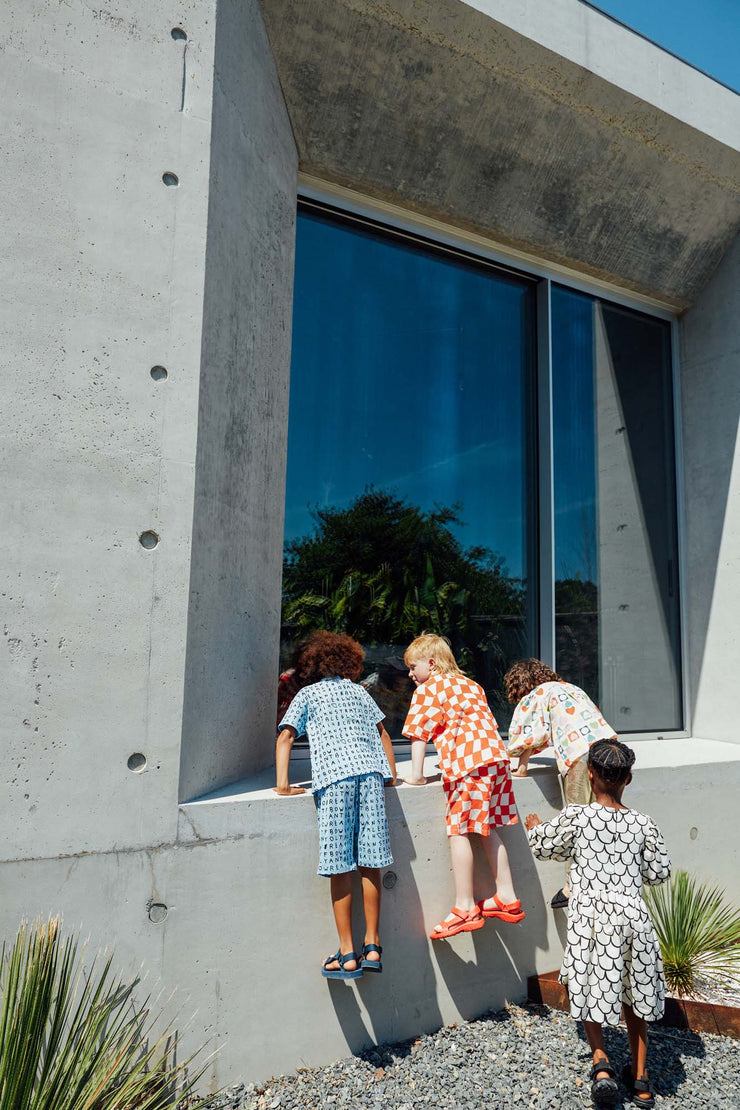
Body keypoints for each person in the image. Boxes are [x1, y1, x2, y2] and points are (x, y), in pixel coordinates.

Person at [526, 739, 671, 1109]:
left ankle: (601, 1065)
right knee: (636, 996)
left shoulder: (578, 817)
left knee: (591, 987)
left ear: (590, 774)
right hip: (634, 918)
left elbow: (543, 847)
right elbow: (659, 873)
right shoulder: (643, 823)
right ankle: (641, 1081)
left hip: (591, 917)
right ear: (629, 779)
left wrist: (534, 825)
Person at [274, 630, 397, 980]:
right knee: (370, 860)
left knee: (339, 863)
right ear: (349, 662)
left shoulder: (306, 694)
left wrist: (283, 784)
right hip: (370, 776)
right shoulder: (360, 691)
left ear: (309, 665)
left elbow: (286, 736)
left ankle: (347, 953)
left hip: (335, 780)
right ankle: (372, 943)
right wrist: (388, 774)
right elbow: (382, 733)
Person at [402, 633, 524, 938]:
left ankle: (465, 906)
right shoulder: (472, 685)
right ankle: (506, 897)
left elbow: (419, 733)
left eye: (413, 666)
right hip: (496, 761)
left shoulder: (429, 688)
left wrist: (416, 775)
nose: (409, 673)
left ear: (430, 664)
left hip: (468, 766)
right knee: (488, 827)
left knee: (459, 830)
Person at [505, 658, 617, 908]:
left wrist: (520, 766)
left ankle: (572, 888)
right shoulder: (572, 688)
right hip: (610, 751)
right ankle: (607, 879)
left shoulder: (538, 693)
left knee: (578, 823)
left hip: (580, 756)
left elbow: (530, 732)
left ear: (521, 683)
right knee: (605, 818)